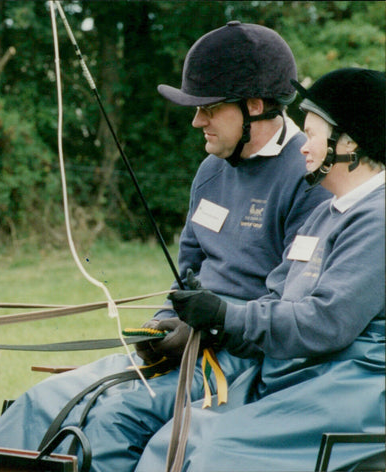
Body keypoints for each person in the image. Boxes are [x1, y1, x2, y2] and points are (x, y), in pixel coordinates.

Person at [0, 21, 330, 471]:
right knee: (42, 401)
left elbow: (290, 304)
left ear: (255, 106)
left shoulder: (309, 178)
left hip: (243, 360)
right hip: (188, 347)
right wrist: (165, 322)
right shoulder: (211, 170)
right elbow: (188, 272)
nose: (196, 121)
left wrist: (215, 327)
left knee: (113, 419)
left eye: (208, 108)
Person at [138, 67, 386, 471]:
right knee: (174, 439)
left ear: (349, 143)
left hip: (350, 390)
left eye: (312, 134)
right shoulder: (326, 214)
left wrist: (226, 315)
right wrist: (209, 326)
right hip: (295, 379)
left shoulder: (377, 219)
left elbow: (326, 322)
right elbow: (276, 300)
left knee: (215, 456)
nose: (303, 147)